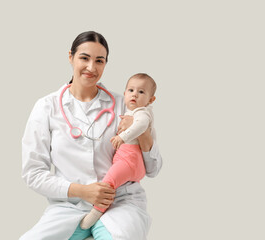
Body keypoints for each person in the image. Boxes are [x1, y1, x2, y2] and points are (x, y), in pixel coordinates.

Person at [19, 31, 163, 240]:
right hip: (69, 206)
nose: (91, 67)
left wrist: (142, 131)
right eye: (84, 58)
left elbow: (153, 169)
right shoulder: (46, 107)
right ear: (71, 57)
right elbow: (33, 173)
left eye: (99, 61)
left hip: (120, 204)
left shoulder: (126, 103)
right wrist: (81, 191)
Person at [80, 73, 157, 229]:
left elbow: (140, 126)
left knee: (107, 185)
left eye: (141, 92)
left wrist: (121, 137)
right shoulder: (130, 111)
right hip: (128, 161)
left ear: (150, 100)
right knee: (110, 182)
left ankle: (96, 213)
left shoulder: (142, 113)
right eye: (131, 90)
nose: (135, 94)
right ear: (124, 94)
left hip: (129, 161)